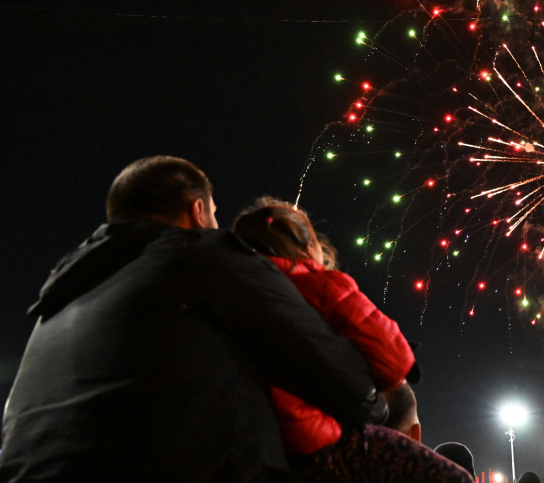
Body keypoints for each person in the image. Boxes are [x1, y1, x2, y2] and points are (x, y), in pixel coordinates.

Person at [0, 156, 386, 482]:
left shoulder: (60, 296)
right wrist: (382, 410)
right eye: (215, 214)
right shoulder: (203, 256)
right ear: (198, 211)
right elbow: (335, 374)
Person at [232, 196, 472, 483]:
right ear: (309, 245)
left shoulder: (230, 293)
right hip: (316, 442)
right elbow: (394, 360)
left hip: (255, 443)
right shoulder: (323, 284)